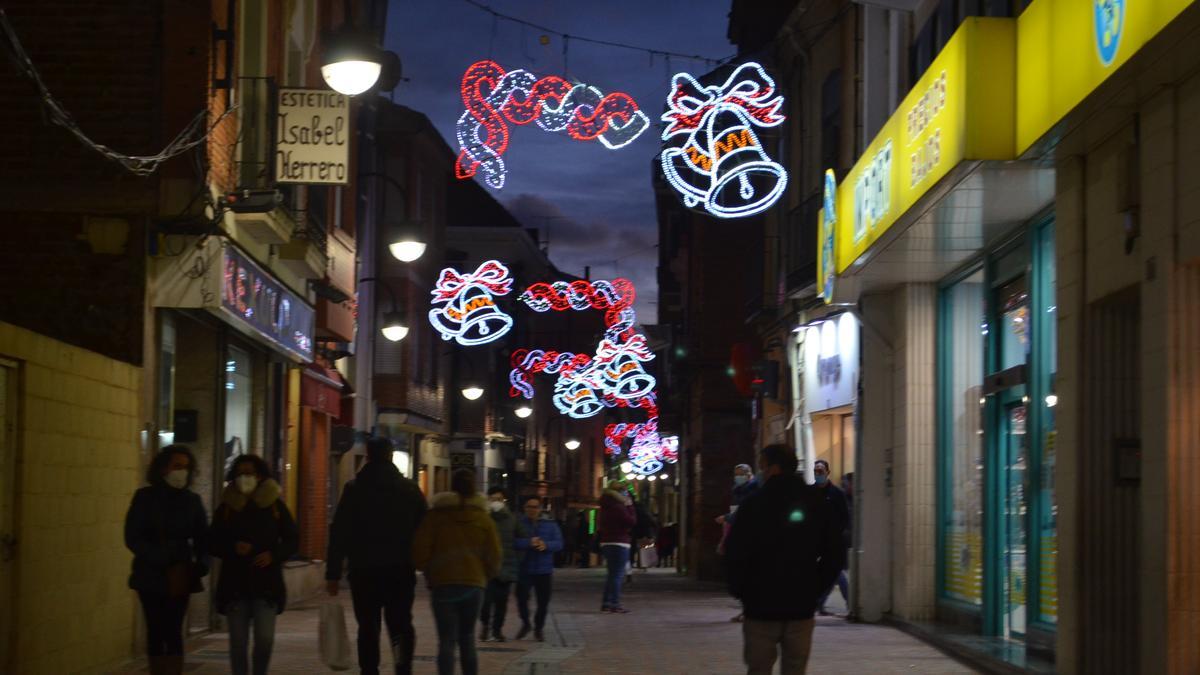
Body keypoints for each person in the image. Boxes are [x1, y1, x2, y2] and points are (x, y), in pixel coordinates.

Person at [725, 444, 844, 674]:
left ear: (774, 468)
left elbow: (735, 552)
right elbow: (834, 552)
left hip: (760, 604)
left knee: (758, 667)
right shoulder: (816, 502)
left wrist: (742, 590)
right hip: (801, 604)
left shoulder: (753, 504)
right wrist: (816, 588)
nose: (761, 471)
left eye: (763, 466)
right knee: (795, 668)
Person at [326, 437, 428, 675]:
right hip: (400, 570)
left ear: (369, 456)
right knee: (400, 625)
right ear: (391, 456)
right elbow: (425, 529)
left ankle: (369, 669)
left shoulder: (354, 489)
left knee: (368, 627)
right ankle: (402, 667)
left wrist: (332, 573)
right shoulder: (409, 489)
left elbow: (339, 532)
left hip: (363, 570)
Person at [209, 454, 298, 675]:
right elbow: (212, 541)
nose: (245, 478)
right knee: (238, 643)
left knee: (265, 639)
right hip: (235, 585)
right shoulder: (227, 507)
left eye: (249, 473)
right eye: (240, 473)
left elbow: (292, 539)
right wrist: (232, 547)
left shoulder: (274, 505)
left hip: (266, 584)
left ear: (259, 476)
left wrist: (273, 555)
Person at [124, 445, 209, 675]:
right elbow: (132, 536)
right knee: (155, 629)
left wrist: (202, 563)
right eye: (177, 466)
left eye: (186, 467)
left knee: (173, 629)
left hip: (179, 573)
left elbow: (203, 537)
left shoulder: (192, 501)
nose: (182, 472)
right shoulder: (145, 498)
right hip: (150, 573)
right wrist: (155, 555)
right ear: (163, 469)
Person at [412, 470, 501, 675]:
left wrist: (429, 570)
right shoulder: (484, 519)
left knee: (446, 640)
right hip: (474, 584)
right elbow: (494, 554)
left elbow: (420, 550)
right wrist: (486, 574)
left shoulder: (435, 517)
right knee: (468, 637)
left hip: (443, 584)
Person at [479, 486, 527, 642]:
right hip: (486, 568)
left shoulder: (512, 519)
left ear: (504, 501)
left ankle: (497, 630)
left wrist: (516, 558)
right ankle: (485, 625)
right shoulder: (483, 518)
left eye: (499, 499)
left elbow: (522, 540)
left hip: (506, 567)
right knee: (485, 602)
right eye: (493, 499)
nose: (496, 502)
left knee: (501, 603)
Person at [513, 497, 564, 641]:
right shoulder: (519, 524)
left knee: (543, 602)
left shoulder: (550, 524)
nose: (532, 510)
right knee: (521, 598)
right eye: (529, 507)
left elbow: (559, 543)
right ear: (525, 508)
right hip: (525, 567)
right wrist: (528, 543)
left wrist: (546, 545)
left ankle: (538, 628)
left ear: (540, 509)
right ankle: (526, 623)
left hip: (544, 569)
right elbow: (512, 542)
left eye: (535, 507)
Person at [717, 463, 760, 622]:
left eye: (741, 473)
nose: (738, 477)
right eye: (736, 474)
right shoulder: (738, 490)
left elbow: (746, 512)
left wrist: (728, 518)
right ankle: (746, 609)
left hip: (749, 536)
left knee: (747, 574)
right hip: (738, 533)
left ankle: (750, 609)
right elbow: (738, 510)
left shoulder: (752, 490)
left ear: (749, 474)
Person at [813, 460, 851, 616]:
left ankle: (821, 602)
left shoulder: (837, 494)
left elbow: (845, 517)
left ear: (827, 472)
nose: (818, 474)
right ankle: (818, 602)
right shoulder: (810, 492)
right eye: (816, 471)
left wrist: (835, 534)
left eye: (821, 471)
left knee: (835, 572)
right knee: (829, 572)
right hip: (815, 541)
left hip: (832, 541)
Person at [597, 480, 637, 613]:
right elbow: (631, 521)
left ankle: (606, 603)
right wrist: (630, 506)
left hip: (606, 542)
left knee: (612, 574)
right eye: (625, 492)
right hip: (619, 542)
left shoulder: (605, 505)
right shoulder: (618, 507)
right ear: (620, 492)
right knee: (617, 575)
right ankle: (614, 603)